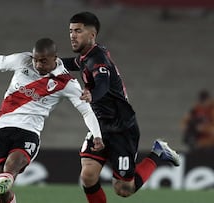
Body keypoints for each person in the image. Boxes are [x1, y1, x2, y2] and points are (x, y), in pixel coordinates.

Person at [0, 38, 104, 203]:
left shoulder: (66, 82)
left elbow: (86, 111)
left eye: (43, 61)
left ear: (55, 58)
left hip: (28, 132)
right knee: (2, 190)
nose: (38, 65)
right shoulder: (22, 60)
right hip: (0, 129)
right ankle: (3, 186)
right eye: (36, 60)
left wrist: (97, 135)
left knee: (10, 168)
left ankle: (4, 180)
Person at [62, 12, 180, 202]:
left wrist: (93, 94)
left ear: (92, 35)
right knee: (88, 176)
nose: (72, 35)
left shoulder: (97, 60)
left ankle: (158, 153)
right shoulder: (87, 56)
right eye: (70, 31)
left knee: (124, 189)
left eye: (78, 31)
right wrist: (48, 63)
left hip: (121, 129)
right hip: (100, 126)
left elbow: (102, 83)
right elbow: (72, 64)